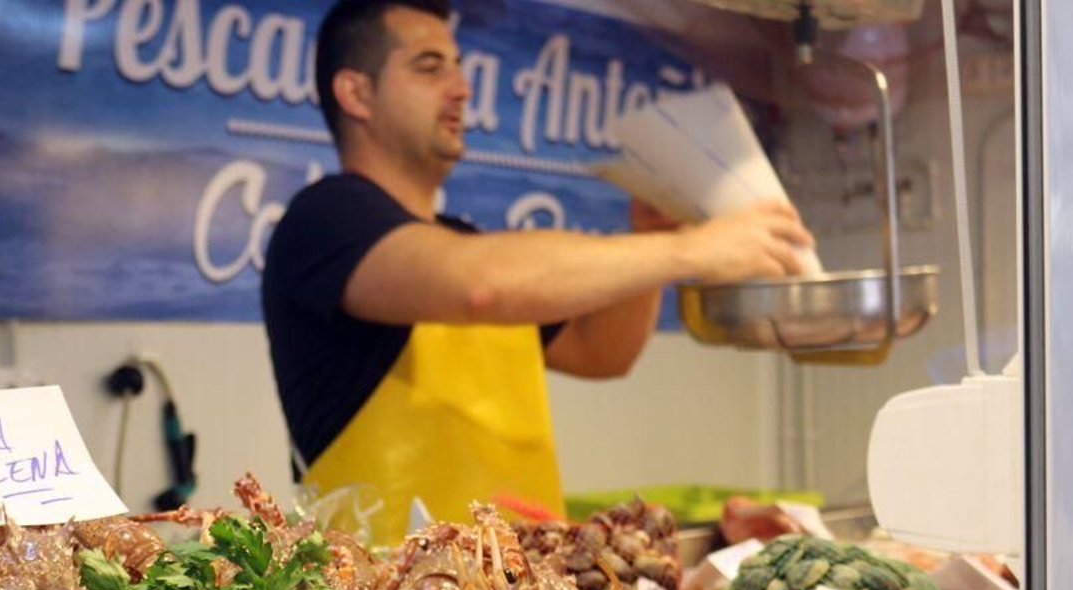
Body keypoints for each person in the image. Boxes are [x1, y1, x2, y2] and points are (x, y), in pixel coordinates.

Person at [261, 0, 815, 540]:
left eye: (458, 67)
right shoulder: (325, 220)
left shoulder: (466, 244)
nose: (461, 88)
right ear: (355, 92)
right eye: (429, 67)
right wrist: (695, 250)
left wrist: (653, 238)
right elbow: (479, 285)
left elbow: (603, 353)